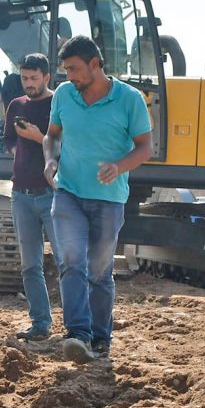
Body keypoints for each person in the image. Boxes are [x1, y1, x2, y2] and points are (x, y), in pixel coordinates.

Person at [42, 35, 152, 362]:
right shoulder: (64, 95)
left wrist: (118, 167)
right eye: (65, 70)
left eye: (74, 69)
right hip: (69, 193)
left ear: (95, 64)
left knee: (99, 272)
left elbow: (145, 147)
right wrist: (50, 159)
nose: (69, 76)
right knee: (72, 261)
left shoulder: (129, 99)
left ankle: (101, 338)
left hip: (109, 199)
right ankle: (78, 334)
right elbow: (52, 135)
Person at [2, 53, 56, 340]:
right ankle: (40, 324)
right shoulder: (16, 105)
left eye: (34, 78)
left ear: (47, 77)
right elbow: (8, 138)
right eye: (24, 78)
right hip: (21, 194)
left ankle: (78, 326)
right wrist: (18, 149)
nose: (29, 84)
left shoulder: (59, 103)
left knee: (66, 261)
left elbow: (65, 143)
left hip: (51, 194)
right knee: (30, 265)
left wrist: (38, 138)